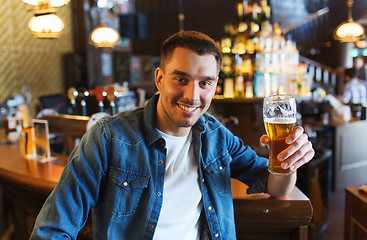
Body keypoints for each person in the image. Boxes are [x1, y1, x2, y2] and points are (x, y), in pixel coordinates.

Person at [31, 31, 314, 239]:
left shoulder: (218, 137)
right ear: (159, 79)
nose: (192, 95)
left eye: (205, 83)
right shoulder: (108, 138)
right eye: (181, 79)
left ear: (215, 86)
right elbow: (52, 229)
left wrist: (287, 162)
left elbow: (276, 187)